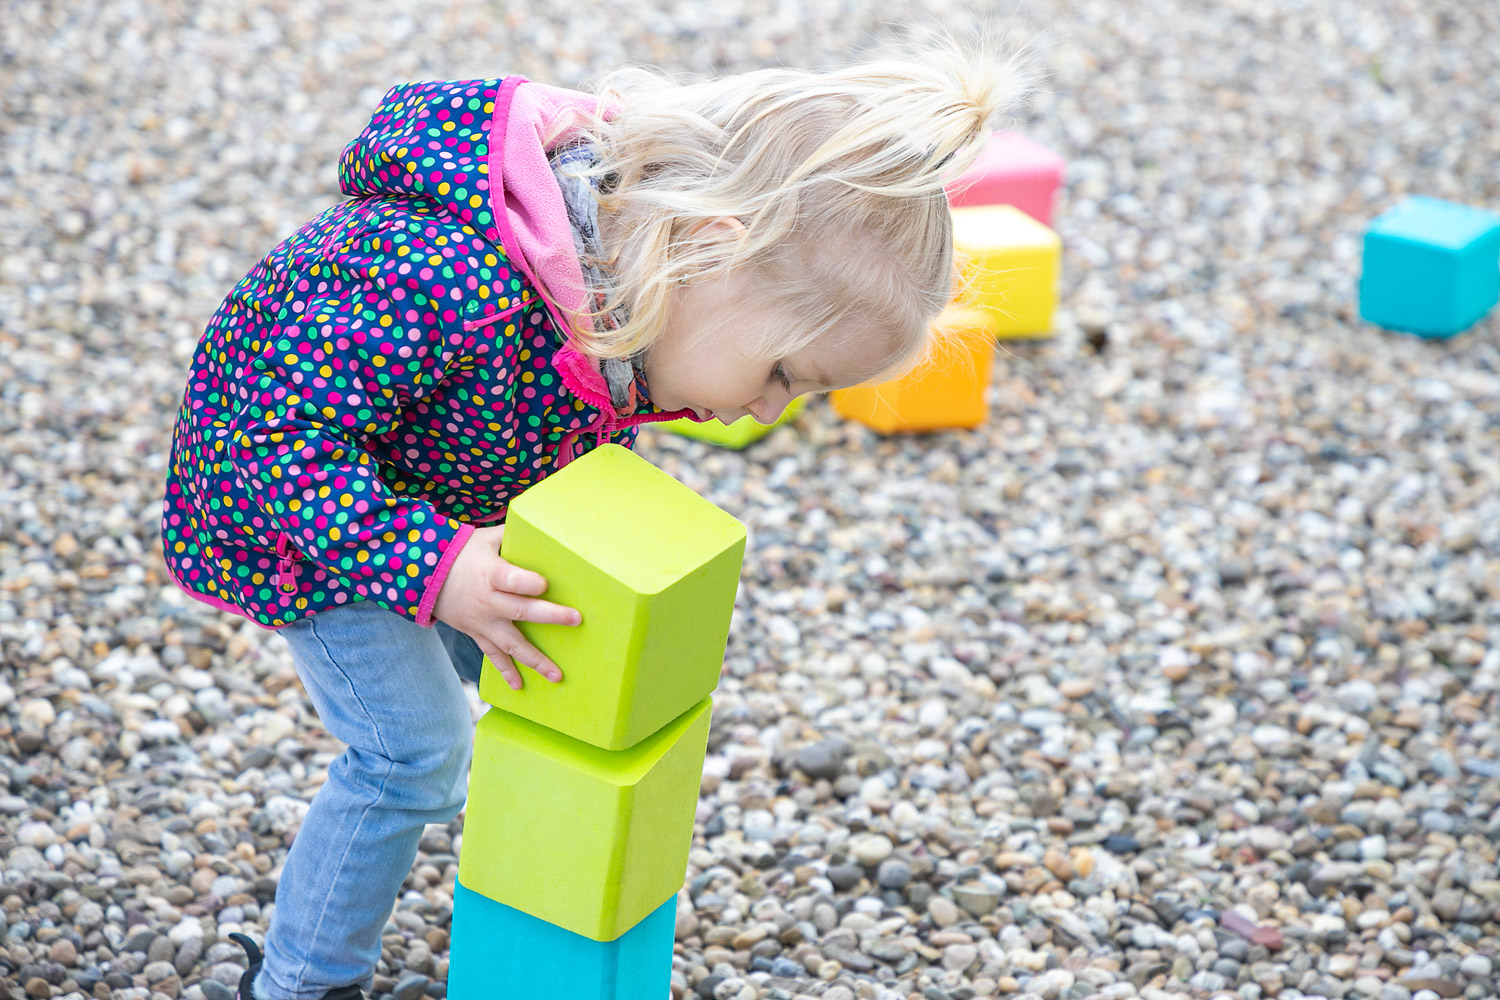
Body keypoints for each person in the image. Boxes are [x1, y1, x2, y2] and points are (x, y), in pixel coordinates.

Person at [158, 30, 1027, 1000]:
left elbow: (554, 413)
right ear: (710, 247)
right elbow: (276, 443)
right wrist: (438, 570)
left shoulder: (631, 290)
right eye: (785, 373)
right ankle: (298, 981)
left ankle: (544, 918)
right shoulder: (448, 280)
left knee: (576, 673)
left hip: (435, 497)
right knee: (416, 753)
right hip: (311, 520)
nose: (768, 409)